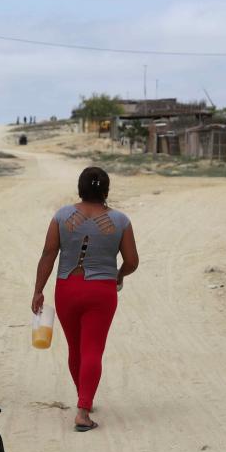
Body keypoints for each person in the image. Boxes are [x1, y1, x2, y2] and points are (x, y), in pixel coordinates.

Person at [31, 167, 139, 431]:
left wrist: (38, 289)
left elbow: (48, 253)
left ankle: (84, 397)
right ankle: (83, 410)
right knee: (93, 349)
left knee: (76, 348)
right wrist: (119, 275)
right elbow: (132, 261)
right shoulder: (121, 221)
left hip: (67, 287)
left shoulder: (62, 216)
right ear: (106, 189)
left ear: (80, 187)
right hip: (101, 291)